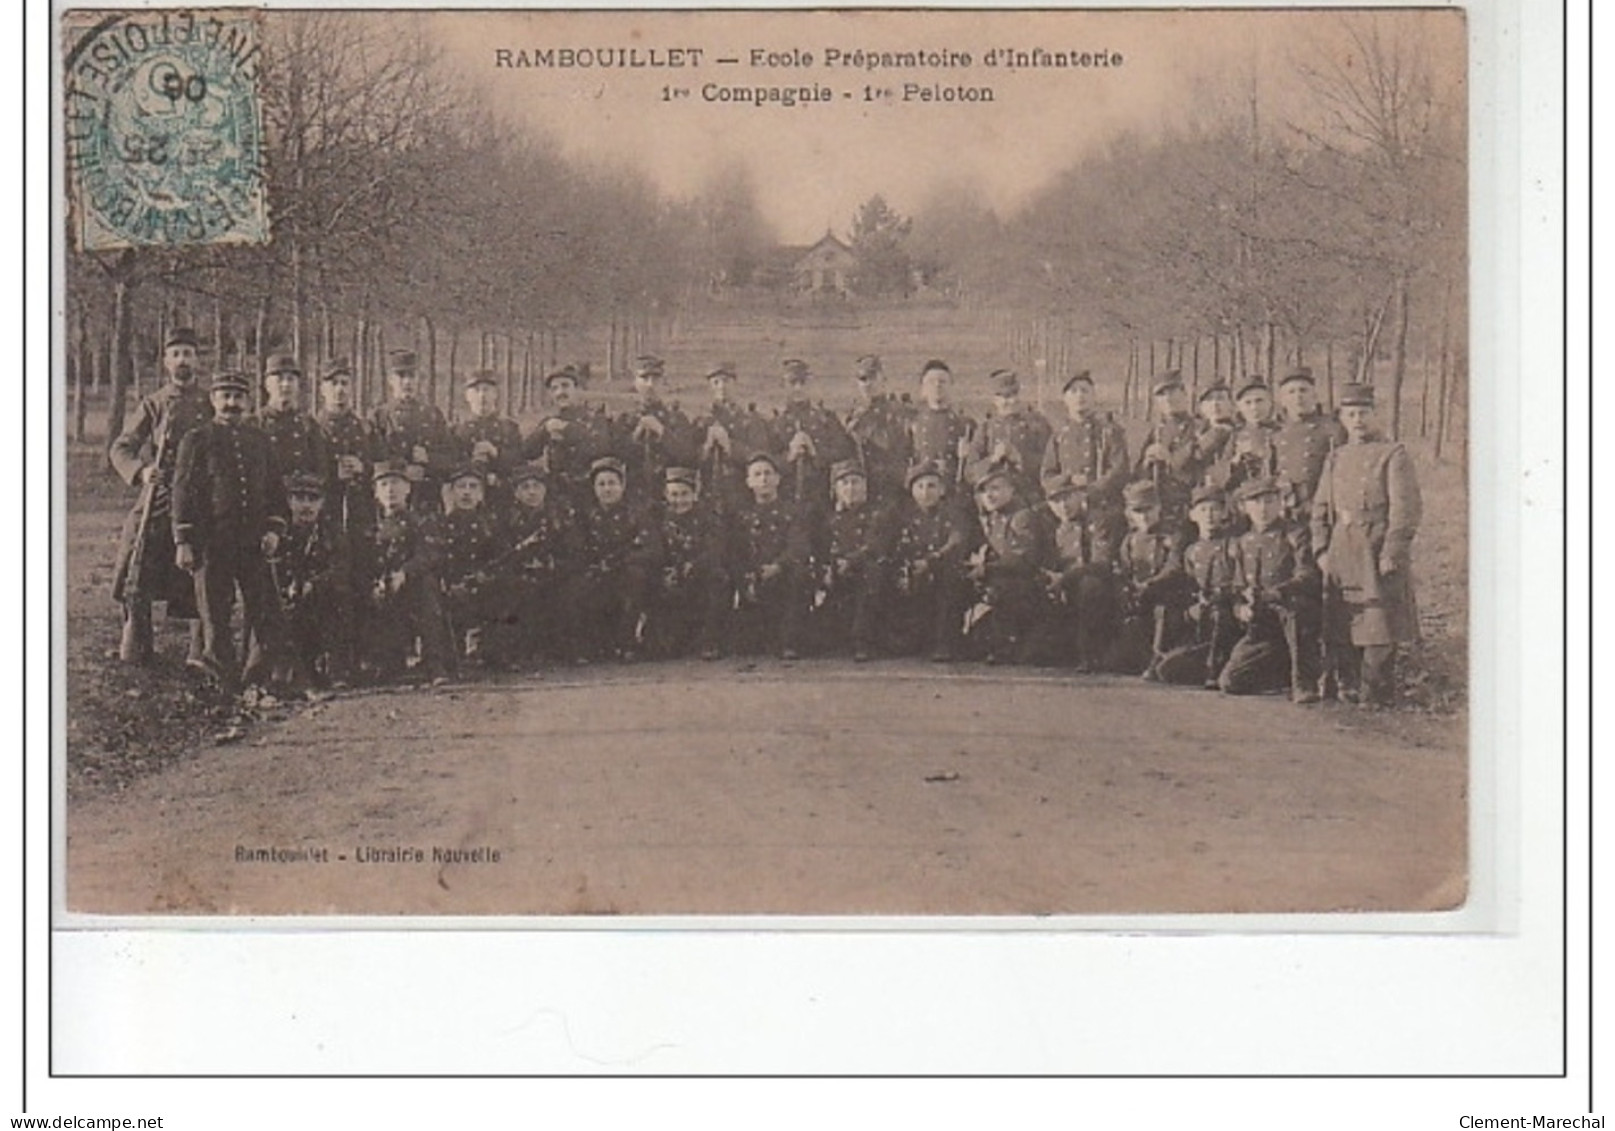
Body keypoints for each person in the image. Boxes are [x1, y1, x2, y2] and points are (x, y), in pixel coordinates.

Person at [169, 371, 288, 694]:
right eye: (225, 397)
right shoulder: (197, 440)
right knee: (215, 618)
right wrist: (184, 541)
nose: (232, 404)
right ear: (213, 400)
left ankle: (253, 680)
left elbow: (276, 491)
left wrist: (274, 530)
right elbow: (182, 493)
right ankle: (223, 687)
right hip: (213, 544)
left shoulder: (259, 441)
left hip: (254, 544)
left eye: (238, 397)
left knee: (268, 617)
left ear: (248, 401)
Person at [1310, 383, 1423, 706]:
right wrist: (1320, 549)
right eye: (1351, 414)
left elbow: (1406, 509)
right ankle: (1347, 684)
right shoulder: (1336, 457)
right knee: (1344, 619)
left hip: (1375, 547)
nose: (1357, 420)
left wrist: (1392, 551)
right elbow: (1320, 507)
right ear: (1342, 419)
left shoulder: (1393, 454)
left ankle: (1376, 691)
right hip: (1341, 547)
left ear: (1375, 414)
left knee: (1379, 622)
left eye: (1363, 413)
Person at [109, 326, 214, 665]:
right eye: (176, 354)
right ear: (166, 362)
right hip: (160, 495)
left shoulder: (210, 403)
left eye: (189, 353)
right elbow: (121, 447)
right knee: (134, 558)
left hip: (199, 499)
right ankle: (138, 643)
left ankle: (201, 650)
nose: (183, 360)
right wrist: (141, 472)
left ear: (197, 360)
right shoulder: (153, 404)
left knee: (202, 567)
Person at [1220, 476, 1322, 703]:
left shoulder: (1295, 535)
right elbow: (1237, 586)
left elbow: (1307, 575)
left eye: (1269, 501)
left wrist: (1277, 593)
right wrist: (1241, 609)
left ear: (1280, 503)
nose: (1263, 509)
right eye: (1255, 503)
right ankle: (1280, 671)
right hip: (1263, 622)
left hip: (1293, 613)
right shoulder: (1242, 542)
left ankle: (1304, 682)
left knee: (1296, 611)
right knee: (1230, 682)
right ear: (1244, 507)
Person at [357, 459, 454, 685]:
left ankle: (434, 664)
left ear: (407, 488)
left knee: (427, 589)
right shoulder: (367, 526)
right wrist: (373, 583)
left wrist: (405, 573)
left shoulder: (420, 521)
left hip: (411, 585)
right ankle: (382, 661)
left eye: (396, 483)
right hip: (381, 587)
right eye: (384, 485)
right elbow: (360, 561)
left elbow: (429, 555)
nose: (391, 490)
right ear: (375, 492)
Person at [482, 464, 577, 669]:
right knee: (512, 591)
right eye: (525, 487)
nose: (532, 492)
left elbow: (572, 551)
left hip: (553, 574)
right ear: (516, 493)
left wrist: (551, 563)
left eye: (536, 486)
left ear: (545, 489)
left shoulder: (559, 517)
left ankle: (559, 649)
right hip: (518, 574)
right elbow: (501, 553)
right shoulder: (505, 519)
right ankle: (510, 652)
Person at [566, 457, 655, 662]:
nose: (607, 489)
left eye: (612, 483)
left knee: (636, 578)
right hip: (597, 572)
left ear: (622, 486)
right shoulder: (585, 516)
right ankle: (586, 646)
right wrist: (592, 566)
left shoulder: (638, 513)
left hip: (625, 572)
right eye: (601, 484)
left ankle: (626, 643)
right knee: (576, 586)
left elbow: (652, 549)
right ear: (594, 488)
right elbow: (577, 548)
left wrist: (624, 561)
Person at [272, 470, 354, 691]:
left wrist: (314, 584)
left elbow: (341, 567)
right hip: (284, 601)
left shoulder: (332, 532)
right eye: (299, 499)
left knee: (337, 598)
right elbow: (269, 569)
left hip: (320, 601)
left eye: (313, 499)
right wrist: (285, 589)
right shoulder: (278, 533)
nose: (306, 506)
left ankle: (336, 668)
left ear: (322, 503)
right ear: (289, 501)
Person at [1023, 476, 1116, 671]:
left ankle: (1088, 655)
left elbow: (1101, 563)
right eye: (1055, 501)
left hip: (1090, 584)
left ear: (1081, 495)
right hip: (1058, 585)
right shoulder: (1049, 525)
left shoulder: (1098, 521)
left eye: (1068, 498)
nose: (1062, 506)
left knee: (1090, 587)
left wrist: (1064, 579)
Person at [1155, 484, 1242, 689]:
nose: (1209, 516)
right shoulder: (1192, 551)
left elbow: (1238, 583)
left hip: (1228, 616)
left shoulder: (1232, 545)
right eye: (1203, 510)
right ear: (1193, 515)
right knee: (1167, 670)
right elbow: (1189, 588)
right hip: (1202, 618)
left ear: (1224, 513)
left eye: (1214, 510)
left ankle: (1215, 668)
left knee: (1219, 614)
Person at [882, 460, 970, 661]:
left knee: (950, 582)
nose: (925, 492)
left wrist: (931, 560)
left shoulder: (954, 513)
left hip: (943, 569)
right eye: (919, 486)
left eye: (931, 486)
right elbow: (893, 543)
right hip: (912, 571)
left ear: (942, 489)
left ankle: (943, 641)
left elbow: (956, 542)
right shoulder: (902, 515)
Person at [727, 451, 811, 659]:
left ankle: (789, 642)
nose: (763, 479)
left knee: (800, 574)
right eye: (757, 474)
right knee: (745, 646)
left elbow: (798, 546)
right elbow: (734, 550)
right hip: (752, 579)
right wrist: (746, 576)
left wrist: (777, 566)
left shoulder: (792, 512)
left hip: (783, 575)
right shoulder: (740, 515)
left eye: (768, 473)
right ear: (748, 482)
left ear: (777, 479)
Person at [644, 467, 729, 660]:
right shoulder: (659, 519)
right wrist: (666, 570)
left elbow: (715, 550)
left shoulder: (708, 519)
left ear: (695, 495)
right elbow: (654, 548)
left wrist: (694, 565)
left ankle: (710, 641)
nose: (679, 500)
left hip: (698, 577)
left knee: (719, 578)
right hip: (670, 576)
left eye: (685, 494)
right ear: (666, 495)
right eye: (674, 494)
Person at [960, 460, 1040, 664]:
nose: (989, 495)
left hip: (1021, 583)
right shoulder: (988, 518)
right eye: (984, 491)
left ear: (1011, 490)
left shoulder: (1021, 517)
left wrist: (985, 569)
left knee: (1001, 589)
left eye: (996, 488)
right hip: (994, 577)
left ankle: (1003, 646)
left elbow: (1020, 558)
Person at [1113, 479, 1191, 680]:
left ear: (1158, 508)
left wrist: (1150, 584)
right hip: (1139, 599)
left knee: (1163, 608)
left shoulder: (1173, 535)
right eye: (1138, 511)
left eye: (1148, 509)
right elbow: (1125, 570)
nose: (1144, 516)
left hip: (1167, 598)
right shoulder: (1130, 540)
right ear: (1130, 514)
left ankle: (1157, 656)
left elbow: (1174, 567)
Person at [1040, 370, 1130, 525]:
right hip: (1069, 515)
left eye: (1085, 390)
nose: (1079, 396)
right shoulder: (1059, 436)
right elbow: (1047, 477)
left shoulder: (1108, 431)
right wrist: (1068, 479)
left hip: (1103, 514)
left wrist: (1091, 489)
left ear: (1094, 396)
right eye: (1073, 391)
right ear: (1065, 399)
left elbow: (1119, 470)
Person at [815, 458, 884, 661]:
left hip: (863, 569)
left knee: (872, 572)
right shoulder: (827, 518)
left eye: (856, 482)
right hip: (834, 570)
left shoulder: (877, 514)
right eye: (844, 483)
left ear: (865, 487)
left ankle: (861, 640)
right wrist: (826, 566)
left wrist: (851, 561)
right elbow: (819, 546)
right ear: (835, 489)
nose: (850, 488)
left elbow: (874, 545)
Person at [369, 349, 452, 513]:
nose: (407, 382)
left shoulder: (433, 415)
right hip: (391, 501)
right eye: (401, 376)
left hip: (427, 498)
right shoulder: (380, 416)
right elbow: (373, 458)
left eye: (412, 376)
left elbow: (451, 458)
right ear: (391, 381)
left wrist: (429, 459)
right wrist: (402, 471)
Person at [435, 465, 503, 665]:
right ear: (452, 493)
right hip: (450, 584)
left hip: (482, 583)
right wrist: (449, 581)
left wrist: (487, 575)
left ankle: (491, 650)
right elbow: (435, 558)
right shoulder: (440, 524)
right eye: (461, 487)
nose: (466, 492)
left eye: (473, 487)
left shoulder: (490, 524)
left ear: (481, 495)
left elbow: (500, 556)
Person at [772, 358, 853, 510]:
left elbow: (843, 453)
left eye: (803, 382)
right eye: (792, 383)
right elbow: (766, 459)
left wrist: (815, 451)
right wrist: (789, 455)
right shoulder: (775, 422)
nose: (798, 388)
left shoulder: (826, 419)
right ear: (783, 385)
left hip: (821, 496)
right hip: (785, 497)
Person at [692, 363, 771, 515]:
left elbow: (761, 456)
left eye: (726, 381)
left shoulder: (751, 420)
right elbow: (690, 457)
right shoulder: (701, 421)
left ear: (735, 383)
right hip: (708, 494)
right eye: (716, 382)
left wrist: (729, 445)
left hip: (741, 495)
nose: (722, 387)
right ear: (710, 386)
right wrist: (707, 446)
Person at [616, 355, 696, 498]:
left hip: (670, 495)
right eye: (644, 379)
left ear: (664, 383)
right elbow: (618, 456)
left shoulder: (677, 418)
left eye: (656, 379)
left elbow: (686, 456)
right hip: (634, 494)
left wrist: (661, 430)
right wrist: (637, 433)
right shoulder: (626, 419)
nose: (650, 385)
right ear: (635, 382)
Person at [1273, 367, 1347, 522]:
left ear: (1314, 395)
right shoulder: (1276, 432)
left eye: (1303, 390)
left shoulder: (1331, 428)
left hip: (1321, 509)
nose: (1298, 396)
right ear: (1283, 400)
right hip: (1285, 510)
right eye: (1291, 392)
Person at [969, 368, 1053, 504]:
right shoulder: (985, 429)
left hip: (1030, 500)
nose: (1012, 401)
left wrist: (1020, 459)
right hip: (995, 504)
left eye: (1015, 394)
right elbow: (970, 473)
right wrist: (993, 459)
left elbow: (1050, 465)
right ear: (995, 400)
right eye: (1006, 397)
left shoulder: (1038, 424)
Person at [315, 357, 376, 537]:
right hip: (326, 512)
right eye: (333, 383)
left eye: (344, 383)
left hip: (361, 513)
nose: (339, 389)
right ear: (322, 390)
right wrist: (333, 472)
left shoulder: (365, 428)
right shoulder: (313, 428)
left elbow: (381, 465)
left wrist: (363, 467)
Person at [452, 370, 525, 516]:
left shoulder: (509, 428)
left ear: (495, 394)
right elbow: (451, 465)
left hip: (502, 501)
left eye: (487, 390)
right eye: (476, 390)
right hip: (467, 503)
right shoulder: (457, 431)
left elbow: (520, 463)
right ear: (467, 396)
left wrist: (496, 453)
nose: (482, 395)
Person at [843, 354, 912, 503]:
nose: (868, 384)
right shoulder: (853, 416)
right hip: (862, 490)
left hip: (894, 489)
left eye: (873, 378)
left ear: (883, 380)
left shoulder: (900, 413)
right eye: (863, 379)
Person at [1135, 371, 1202, 523]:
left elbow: (1202, 468)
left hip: (1191, 507)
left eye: (1172, 391)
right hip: (1161, 509)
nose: (1168, 398)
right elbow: (1139, 477)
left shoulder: (1199, 427)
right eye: (1161, 395)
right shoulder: (1156, 432)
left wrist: (1169, 459)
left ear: (1184, 393)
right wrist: (1147, 461)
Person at [256, 353, 328, 483]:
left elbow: (321, 470)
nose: (286, 385)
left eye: (291, 379)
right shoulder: (255, 424)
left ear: (298, 385)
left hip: (302, 498)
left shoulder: (308, 425)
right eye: (280, 379)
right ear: (267, 385)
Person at [906, 359, 974, 494]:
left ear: (951, 386)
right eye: (931, 382)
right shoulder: (912, 423)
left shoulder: (965, 424)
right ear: (923, 388)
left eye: (942, 382)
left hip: (954, 492)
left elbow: (973, 467)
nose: (937, 386)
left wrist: (966, 455)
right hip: (923, 493)